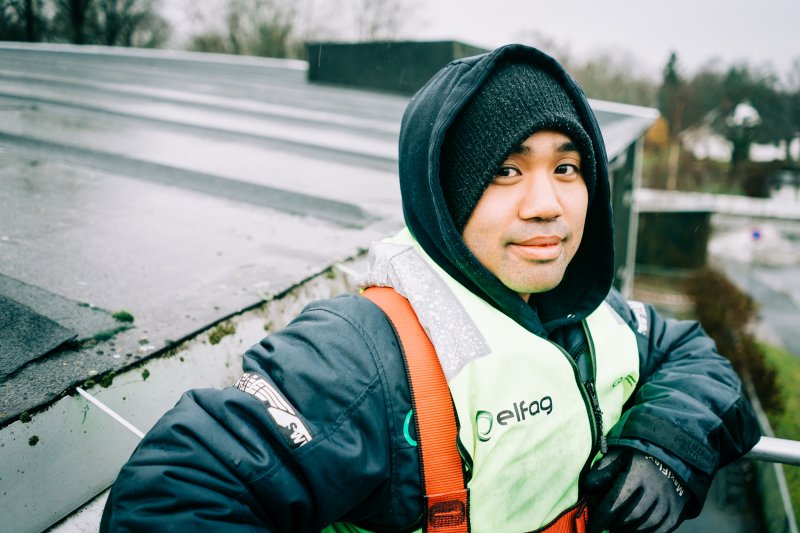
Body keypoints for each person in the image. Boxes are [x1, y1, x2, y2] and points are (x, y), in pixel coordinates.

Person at [101, 44, 761, 532]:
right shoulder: (367, 352)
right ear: (445, 195)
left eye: (567, 166)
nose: (548, 204)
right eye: (505, 170)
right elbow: (173, 492)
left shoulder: (598, 315)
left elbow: (694, 357)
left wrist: (665, 446)